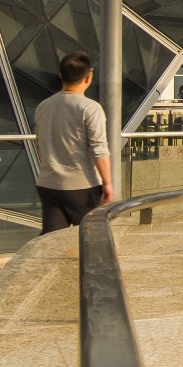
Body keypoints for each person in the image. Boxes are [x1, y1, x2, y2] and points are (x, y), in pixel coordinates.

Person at [34, 52, 116, 232]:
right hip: (81, 186)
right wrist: (108, 183)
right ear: (89, 77)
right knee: (91, 237)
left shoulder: (43, 106)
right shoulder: (90, 108)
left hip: (48, 183)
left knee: (53, 239)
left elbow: (39, 143)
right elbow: (99, 149)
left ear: (61, 75)